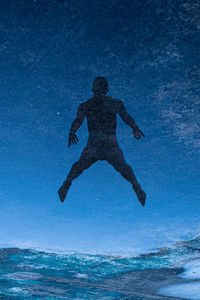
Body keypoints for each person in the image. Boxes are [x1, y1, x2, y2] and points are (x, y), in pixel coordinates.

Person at [58, 77, 146, 206]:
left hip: (100, 143)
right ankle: (136, 186)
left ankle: (67, 183)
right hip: (104, 143)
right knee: (121, 167)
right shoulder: (106, 103)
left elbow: (78, 121)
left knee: (81, 165)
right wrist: (135, 128)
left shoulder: (90, 105)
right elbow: (126, 117)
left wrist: (135, 128)